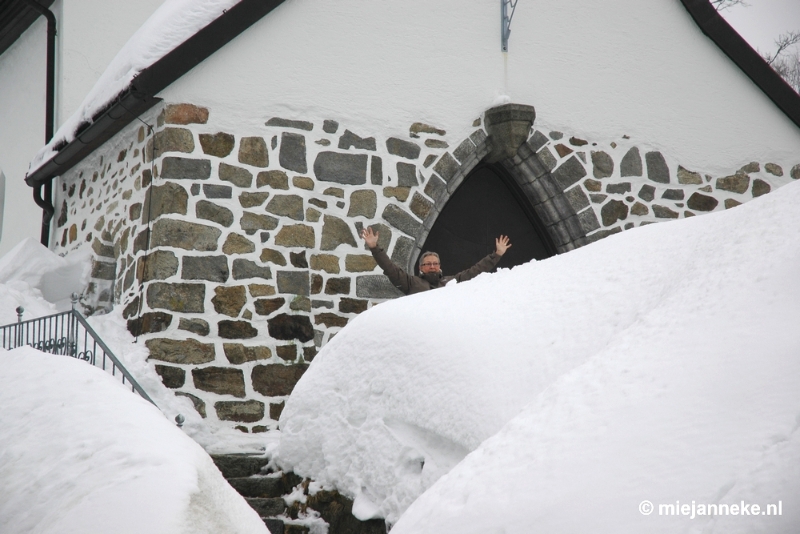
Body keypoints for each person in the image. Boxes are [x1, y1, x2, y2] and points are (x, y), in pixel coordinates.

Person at [360, 226, 512, 295]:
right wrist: (374, 247)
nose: (432, 266)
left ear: (439, 266)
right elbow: (390, 268)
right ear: (421, 267)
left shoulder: (451, 282)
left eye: (435, 263)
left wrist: (496, 255)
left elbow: (475, 271)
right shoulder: (411, 283)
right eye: (428, 264)